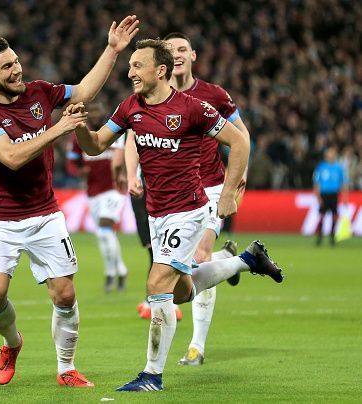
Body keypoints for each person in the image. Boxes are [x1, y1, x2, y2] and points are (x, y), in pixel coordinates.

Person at [68, 38, 283, 392]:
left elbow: (240, 142)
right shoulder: (130, 107)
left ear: (160, 70)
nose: (130, 71)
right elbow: (95, 145)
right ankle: (246, 260)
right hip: (157, 213)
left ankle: (152, 375)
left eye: (138, 65)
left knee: (156, 285)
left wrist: (228, 193)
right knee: (181, 291)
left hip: (189, 211)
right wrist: (78, 126)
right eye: (131, 65)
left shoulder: (193, 108)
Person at [0, 16, 139, 388]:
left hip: (44, 215)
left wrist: (112, 50)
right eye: (6, 67)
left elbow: (84, 92)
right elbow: (10, 157)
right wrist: (59, 129)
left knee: (65, 292)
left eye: (15, 61)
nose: (16, 70)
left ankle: (66, 368)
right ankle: (12, 343)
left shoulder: (40, 91)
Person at [162, 32, 251, 366]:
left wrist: (241, 173)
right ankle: (229, 260)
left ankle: (196, 347)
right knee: (180, 269)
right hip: (173, 195)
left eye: (183, 49)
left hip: (212, 187)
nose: (177, 54)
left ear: (193, 55)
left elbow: (241, 134)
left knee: (197, 259)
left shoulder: (214, 94)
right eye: (171, 50)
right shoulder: (154, 96)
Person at [111, 134, 183, 321]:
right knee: (165, 248)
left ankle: (157, 300)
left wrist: (120, 175)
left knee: (155, 249)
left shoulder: (129, 124)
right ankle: (161, 299)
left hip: (142, 190)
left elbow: (117, 162)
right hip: (170, 188)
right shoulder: (164, 119)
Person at [66, 102, 128, 293]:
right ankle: (121, 269)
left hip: (114, 189)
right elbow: (71, 163)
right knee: (104, 234)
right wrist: (79, 171)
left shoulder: (113, 133)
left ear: (103, 112)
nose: (93, 114)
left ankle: (110, 272)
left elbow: (127, 155)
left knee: (104, 226)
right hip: (93, 192)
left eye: (96, 110)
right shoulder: (80, 138)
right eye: (90, 112)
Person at [313, 146, 348, 246]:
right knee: (322, 216)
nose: (331, 155)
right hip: (324, 194)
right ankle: (319, 237)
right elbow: (316, 183)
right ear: (326, 155)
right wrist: (318, 197)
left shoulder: (338, 168)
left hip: (334, 194)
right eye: (329, 153)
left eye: (333, 153)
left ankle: (332, 236)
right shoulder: (321, 167)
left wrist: (345, 197)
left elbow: (343, 183)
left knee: (335, 216)